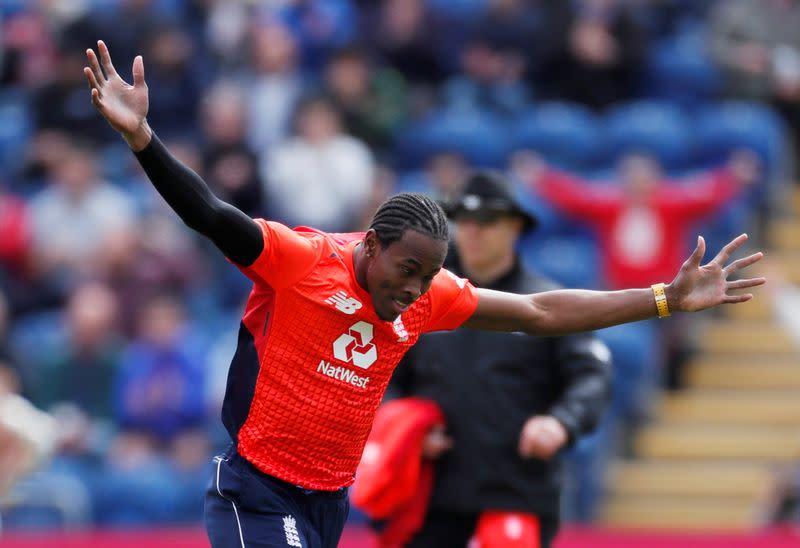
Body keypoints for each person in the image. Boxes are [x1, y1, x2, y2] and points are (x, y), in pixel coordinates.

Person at [84, 41, 765, 548]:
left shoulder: (429, 293)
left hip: (330, 501)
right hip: (256, 489)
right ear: (371, 245)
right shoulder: (300, 260)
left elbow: (539, 312)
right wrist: (143, 139)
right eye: (405, 271)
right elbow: (209, 213)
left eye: (426, 276)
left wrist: (664, 300)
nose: (413, 291)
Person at [385, 172, 612, 547]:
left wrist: (561, 422)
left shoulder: (547, 305)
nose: (473, 231)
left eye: (487, 221)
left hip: (514, 495)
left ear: (515, 227)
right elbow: (386, 379)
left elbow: (592, 377)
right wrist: (402, 428)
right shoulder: (424, 301)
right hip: (428, 500)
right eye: (463, 220)